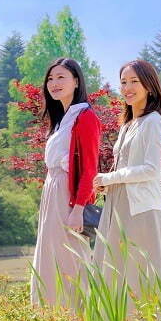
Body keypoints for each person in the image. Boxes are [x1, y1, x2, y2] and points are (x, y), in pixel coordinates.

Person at [91, 58, 161, 297]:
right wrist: (107, 185)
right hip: (118, 204)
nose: (127, 88)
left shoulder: (154, 122)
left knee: (139, 272)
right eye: (123, 82)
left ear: (149, 85)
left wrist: (110, 177)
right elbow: (126, 165)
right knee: (114, 268)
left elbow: (150, 169)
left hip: (141, 209)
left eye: (134, 81)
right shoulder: (127, 125)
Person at [30, 57, 101, 307]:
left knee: (70, 257)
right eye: (50, 78)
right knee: (49, 256)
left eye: (61, 77)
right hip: (52, 190)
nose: (54, 83)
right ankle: (48, 316)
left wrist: (79, 208)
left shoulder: (85, 117)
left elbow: (89, 167)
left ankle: (78, 318)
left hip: (68, 195)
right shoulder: (61, 118)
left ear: (76, 81)